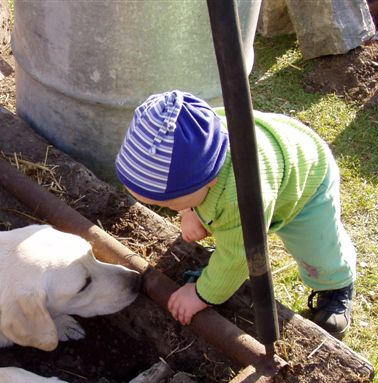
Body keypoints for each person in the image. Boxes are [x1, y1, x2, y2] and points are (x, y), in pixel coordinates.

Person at [115, 90, 356, 339]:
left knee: (317, 248)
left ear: (211, 179)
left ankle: (336, 286)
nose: (165, 209)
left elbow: (240, 256)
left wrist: (201, 294)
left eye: (170, 203)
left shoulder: (243, 198)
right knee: (222, 221)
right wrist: (189, 209)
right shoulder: (198, 140)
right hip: (272, 146)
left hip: (306, 181)